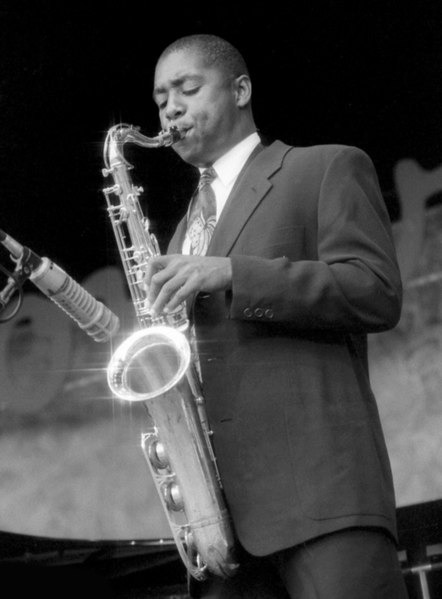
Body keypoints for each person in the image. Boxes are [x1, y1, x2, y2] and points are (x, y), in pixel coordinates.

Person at [145, 34, 409, 598]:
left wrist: (235, 273)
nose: (170, 107)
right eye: (161, 97)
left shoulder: (324, 167)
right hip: (224, 531)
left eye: (187, 88)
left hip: (323, 504)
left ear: (240, 89)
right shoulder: (182, 231)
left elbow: (376, 290)